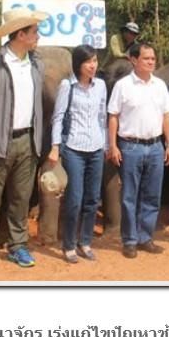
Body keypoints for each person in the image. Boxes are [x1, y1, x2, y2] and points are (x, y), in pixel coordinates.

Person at [0, 8, 48, 274]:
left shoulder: (37, 65)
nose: (38, 36)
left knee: (21, 199)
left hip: (27, 142)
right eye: (34, 32)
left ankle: (18, 246)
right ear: (19, 35)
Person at [107, 43, 169, 258]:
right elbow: (113, 116)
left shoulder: (160, 86)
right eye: (146, 58)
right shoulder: (123, 86)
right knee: (129, 195)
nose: (151, 62)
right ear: (133, 60)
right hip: (130, 146)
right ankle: (129, 240)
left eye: (153, 58)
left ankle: (145, 237)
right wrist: (113, 145)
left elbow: (166, 116)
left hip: (155, 146)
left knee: (152, 195)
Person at [47, 44, 108, 264]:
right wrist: (55, 146)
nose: (93, 66)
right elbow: (58, 116)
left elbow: (102, 117)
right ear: (78, 64)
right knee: (74, 199)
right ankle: (69, 245)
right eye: (88, 62)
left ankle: (85, 242)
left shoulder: (101, 86)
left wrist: (106, 145)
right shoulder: (67, 86)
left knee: (92, 200)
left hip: (96, 148)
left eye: (95, 61)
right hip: (73, 149)